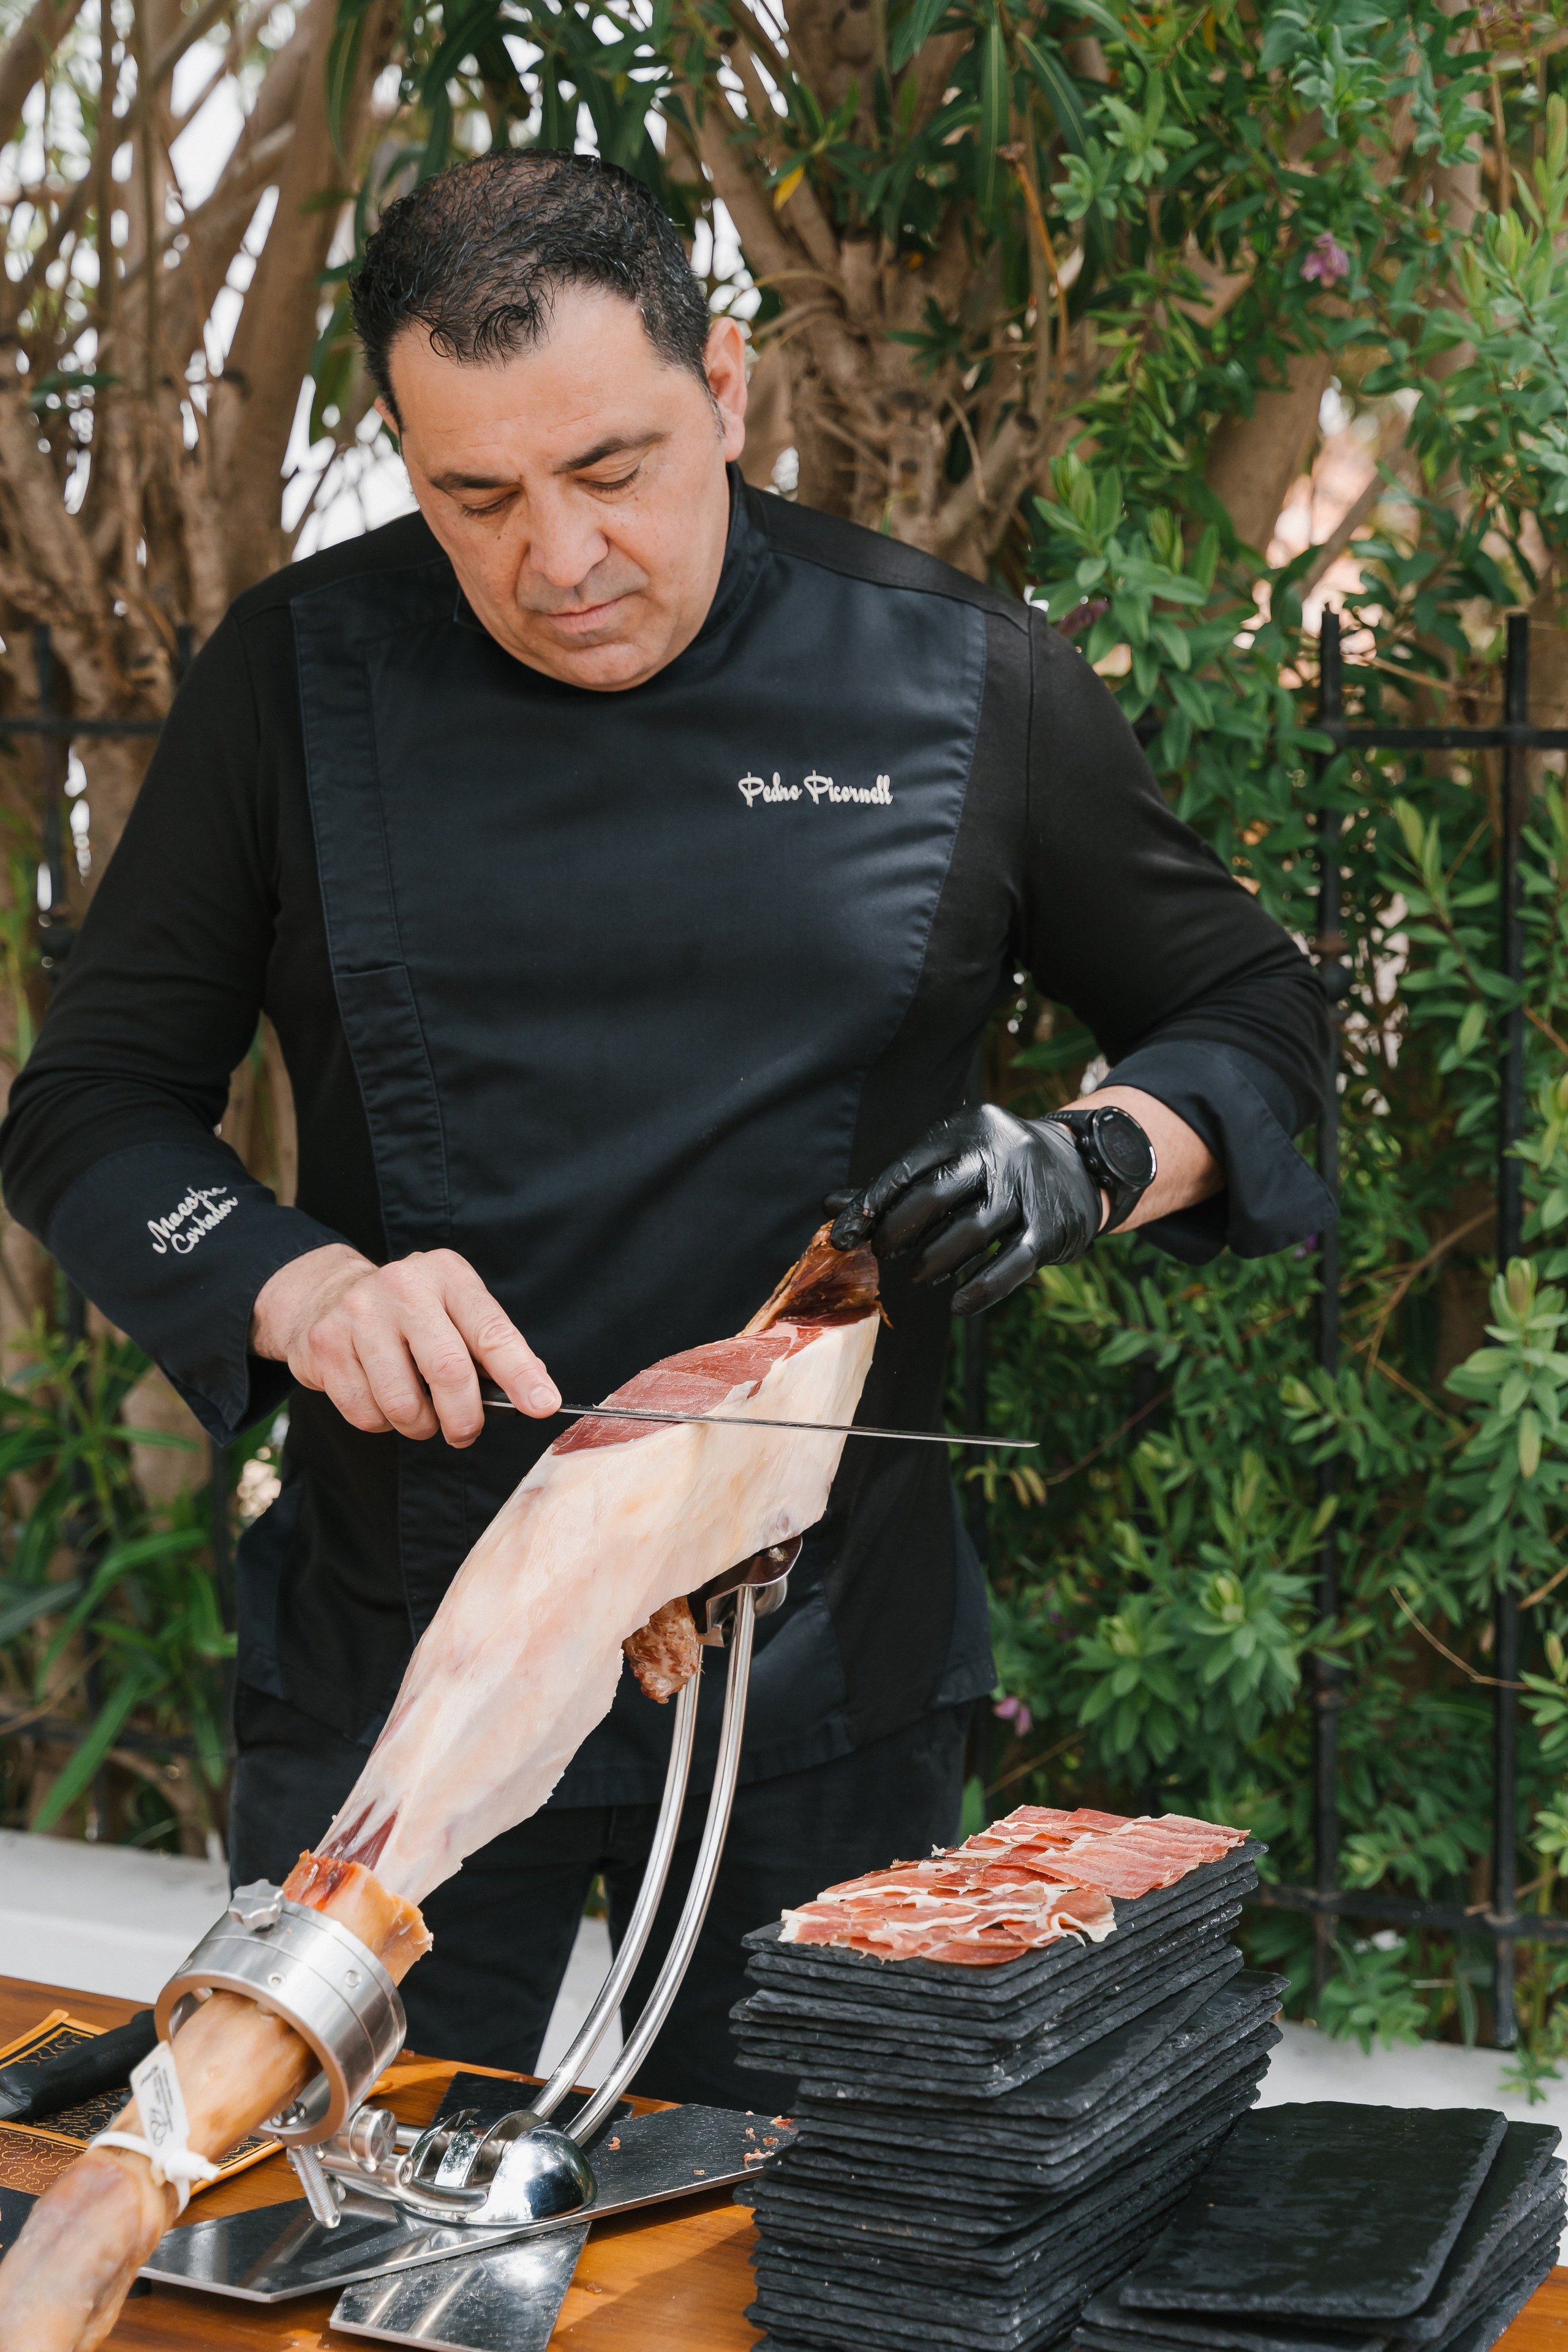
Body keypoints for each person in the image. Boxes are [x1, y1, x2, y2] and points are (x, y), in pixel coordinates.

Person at [0, 151, 1332, 2109]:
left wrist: (1093, 1160)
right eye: (476, 497)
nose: (559, 558)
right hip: (404, 1669)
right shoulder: (295, 680)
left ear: (724, 388)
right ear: (401, 453)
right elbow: (89, 1107)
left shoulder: (962, 679)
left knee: (798, 2248)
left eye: (614, 469)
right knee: (312, 2233)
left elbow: (1258, 1016)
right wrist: (298, 1288)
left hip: (821, 1680)